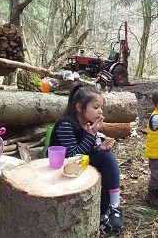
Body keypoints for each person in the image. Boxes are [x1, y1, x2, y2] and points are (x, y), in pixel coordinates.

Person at [49, 83, 123, 233]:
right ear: (79, 107)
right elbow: (73, 157)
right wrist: (91, 135)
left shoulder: (87, 123)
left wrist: (98, 147)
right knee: (105, 159)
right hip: (61, 170)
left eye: (101, 107)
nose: (100, 111)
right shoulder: (66, 124)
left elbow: (85, 152)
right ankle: (109, 210)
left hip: (78, 165)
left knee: (105, 159)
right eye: (95, 107)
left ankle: (109, 211)